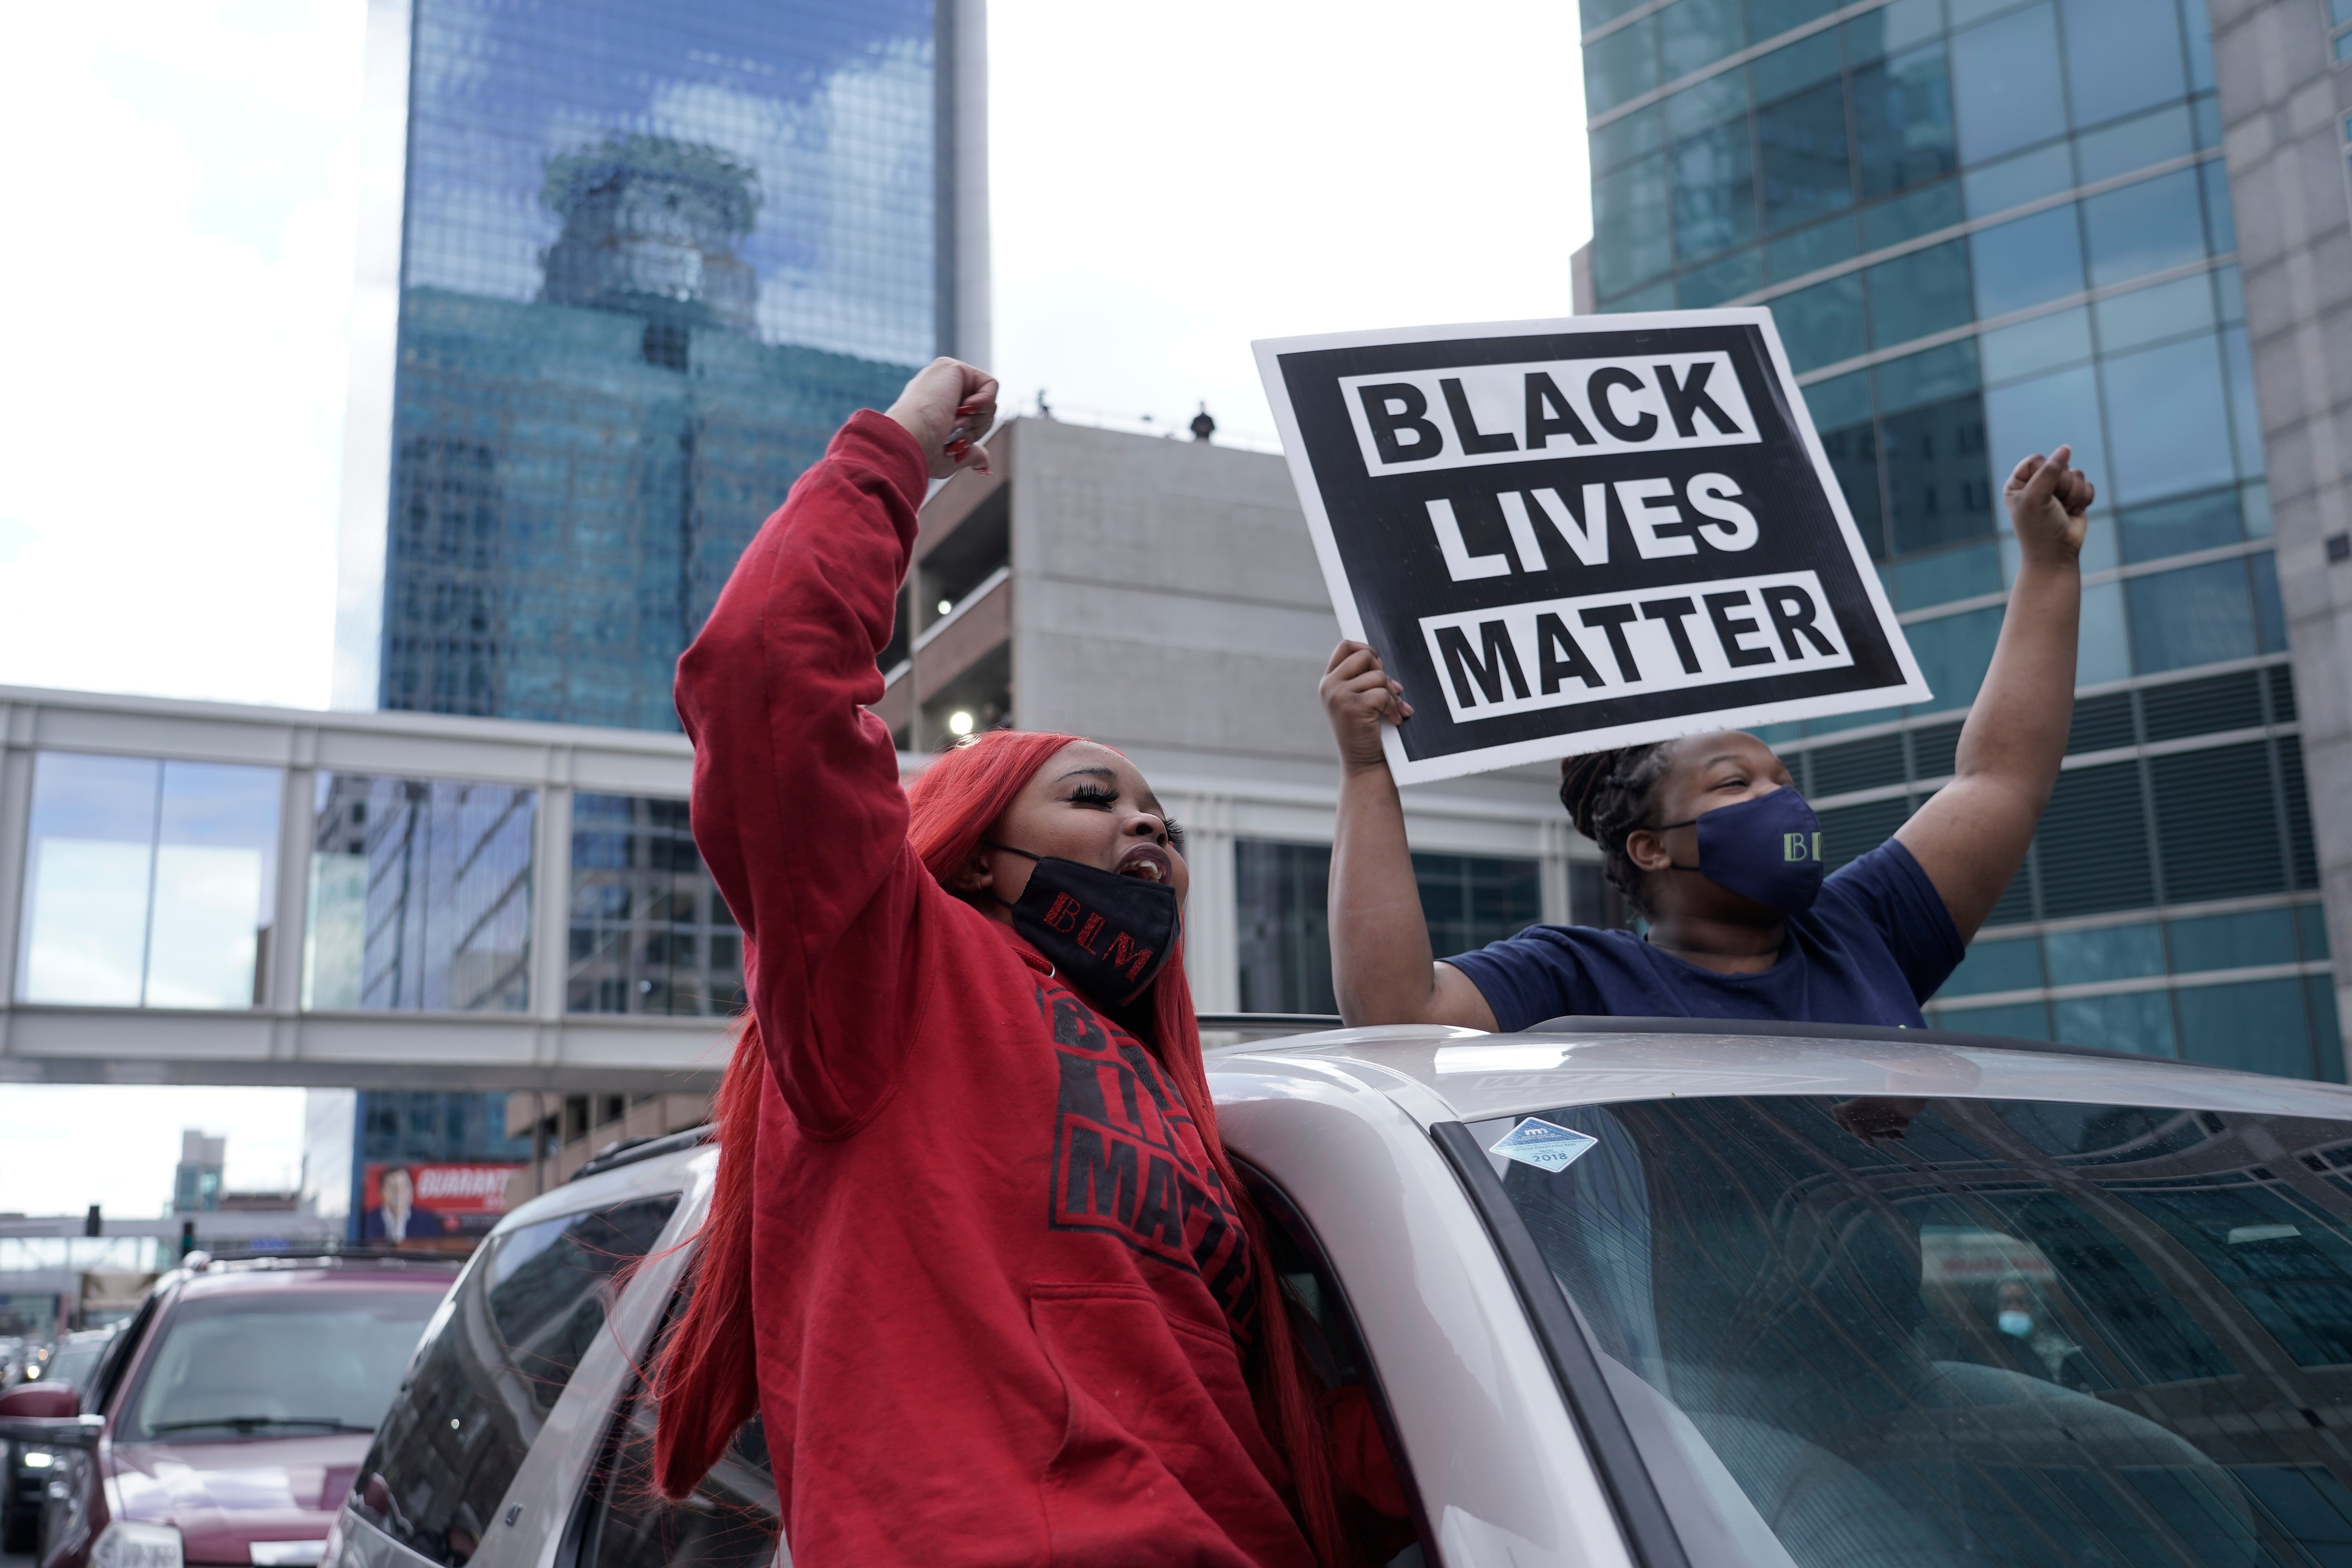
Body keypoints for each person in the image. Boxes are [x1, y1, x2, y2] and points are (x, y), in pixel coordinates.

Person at [649, 359, 1404, 1568]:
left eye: (1161, 813)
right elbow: (764, 677)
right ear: (981, 861)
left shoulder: (1183, 1105)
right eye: (1096, 797)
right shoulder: (893, 979)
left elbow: (1285, 1437)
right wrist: (889, 455)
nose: (1150, 826)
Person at [1320, 444, 2094, 1032]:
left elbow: (2000, 775)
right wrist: (1366, 767)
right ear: (1651, 847)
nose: (1778, 800)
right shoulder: (1581, 979)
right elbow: (1396, 1016)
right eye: (1735, 783)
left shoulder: (1865, 929)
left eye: (1782, 781)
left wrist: (2050, 564)